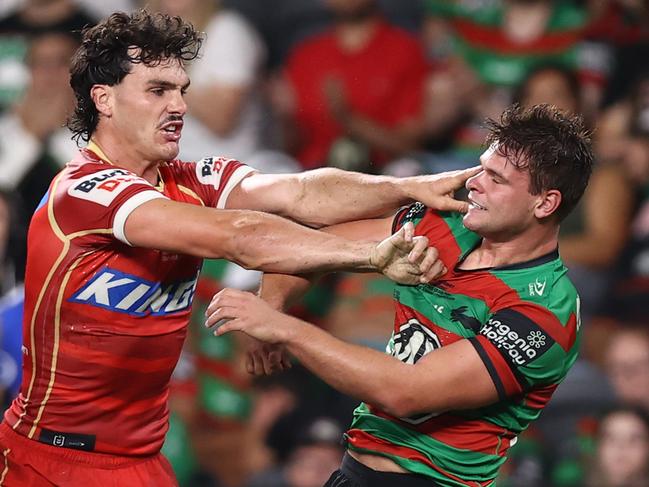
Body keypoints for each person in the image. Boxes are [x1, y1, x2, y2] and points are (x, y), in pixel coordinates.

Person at [0, 10, 478, 487]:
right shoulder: (85, 191)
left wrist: (412, 186)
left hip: (139, 461)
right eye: (158, 90)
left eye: (182, 90)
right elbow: (240, 237)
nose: (179, 106)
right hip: (48, 460)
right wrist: (368, 257)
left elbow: (302, 193)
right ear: (103, 100)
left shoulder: (191, 179)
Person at [207, 104, 594, 486]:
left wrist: (283, 329)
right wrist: (272, 303)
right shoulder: (443, 223)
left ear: (545, 203)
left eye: (497, 179)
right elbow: (313, 249)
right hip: (352, 472)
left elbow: (406, 392)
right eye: (481, 168)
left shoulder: (545, 310)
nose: (475, 182)